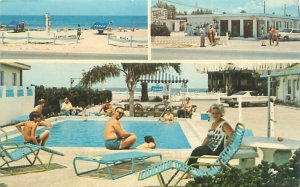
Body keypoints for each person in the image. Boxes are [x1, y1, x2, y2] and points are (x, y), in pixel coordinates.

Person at [185, 104, 233, 178]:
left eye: (217, 113)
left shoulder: (224, 124)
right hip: (211, 147)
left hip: (217, 150)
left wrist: (227, 144)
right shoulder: (213, 124)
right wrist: (202, 146)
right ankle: (191, 171)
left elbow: (232, 134)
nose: (215, 115)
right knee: (196, 151)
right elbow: (208, 137)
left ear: (221, 114)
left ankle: (189, 172)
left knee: (196, 152)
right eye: (213, 113)